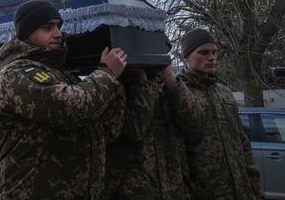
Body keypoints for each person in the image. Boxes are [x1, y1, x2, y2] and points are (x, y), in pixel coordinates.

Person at [0, 0, 127, 199]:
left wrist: (121, 82)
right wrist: (106, 74)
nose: (58, 33)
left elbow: (106, 130)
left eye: (58, 26)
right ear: (27, 34)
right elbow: (71, 107)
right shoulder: (16, 73)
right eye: (48, 27)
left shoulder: (62, 74)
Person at [104, 35, 205, 199]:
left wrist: (169, 79)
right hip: (136, 192)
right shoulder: (116, 85)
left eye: (164, 53)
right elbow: (133, 132)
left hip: (175, 189)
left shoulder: (169, 86)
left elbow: (196, 127)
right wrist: (142, 83)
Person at [175, 28, 262, 199]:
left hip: (240, 190)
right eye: (204, 52)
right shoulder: (176, 93)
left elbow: (241, 140)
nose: (212, 57)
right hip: (204, 191)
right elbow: (175, 152)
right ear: (186, 56)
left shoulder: (224, 92)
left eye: (214, 52)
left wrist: (255, 188)